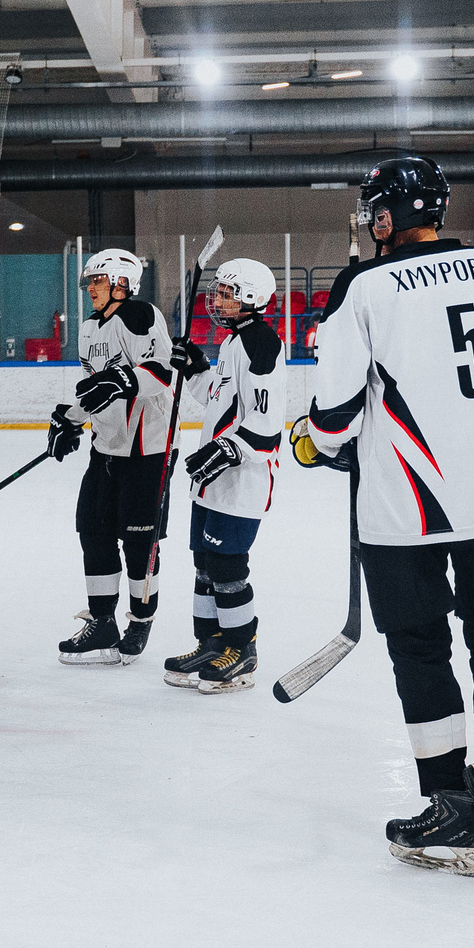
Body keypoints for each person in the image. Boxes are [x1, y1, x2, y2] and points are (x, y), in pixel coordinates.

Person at [291, 154, 474, 877]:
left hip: (406, 508)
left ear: (385, 216)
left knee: (422, 649)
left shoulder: (362, 285)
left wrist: (317, 442)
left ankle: (450, 805)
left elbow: (334, 418)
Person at [48, 248, 177, 665]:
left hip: (147, 450)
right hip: (105, 448)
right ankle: (103, 622)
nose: (90, 289)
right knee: (93, 530)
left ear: (122, 282)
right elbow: (96, 388)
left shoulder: (140, 314)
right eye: (89, 282)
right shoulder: (88, 327)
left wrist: (122, 379)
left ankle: (140, 620)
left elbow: (162, 372)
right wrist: (71, 419)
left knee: (140, 542)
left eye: (97, 281)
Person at [163, 258, 284, 693]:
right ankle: (211, 643)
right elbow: (220, 402)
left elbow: (267, 428)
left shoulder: (261, 344)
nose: (217, 300)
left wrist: (229, 450)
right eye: (218, 291)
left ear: (252, 298)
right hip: (213, 478)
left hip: (241, 481)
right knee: (204, 564)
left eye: (227, 293)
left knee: (227, 566)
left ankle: (242, 649)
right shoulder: (233, 341)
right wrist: (196, 367)